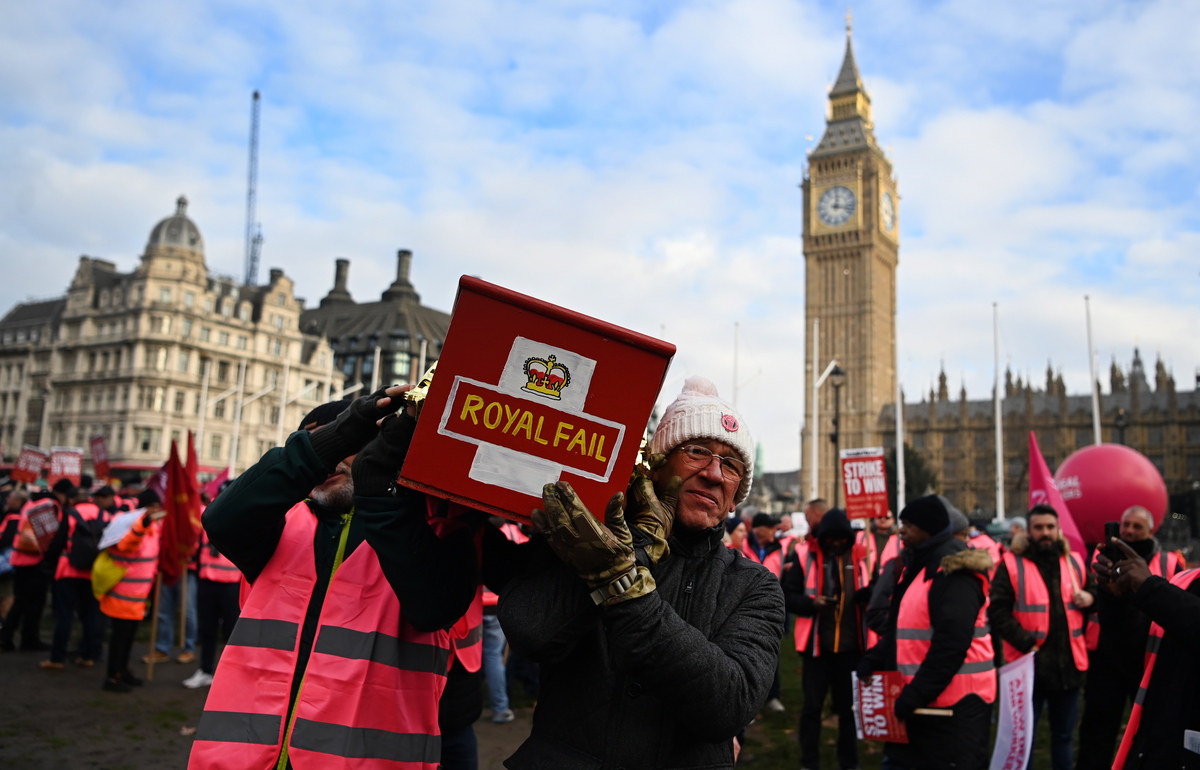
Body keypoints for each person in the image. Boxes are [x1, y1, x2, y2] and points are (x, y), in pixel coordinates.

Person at [499, 375, 785, 768]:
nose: (714, 473)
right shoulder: (585, 537)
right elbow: (531, 632)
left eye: (731, 465)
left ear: (736, 498)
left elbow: (729, 704)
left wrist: (623, 586)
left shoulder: (755, 585)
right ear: (656, 466)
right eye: (697, 451)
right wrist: (638, 547)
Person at [189, 386, 481, 770]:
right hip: (241, 759)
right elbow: (221, 520)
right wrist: (335, 439)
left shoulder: (434, 531)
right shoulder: (278, 528)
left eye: (351, 445)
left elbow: (431, 607)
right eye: (319, 450)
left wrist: (381, 484)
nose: (327, 463)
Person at [857, 494, 996, 770]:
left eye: (909, 524)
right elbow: (902, 629)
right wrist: (874, 658)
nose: (902, 531)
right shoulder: (919, 568)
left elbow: (950, 646)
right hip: (923, 707)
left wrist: (911, 697)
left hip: (955, 713)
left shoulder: (955, 572)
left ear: (930, 528)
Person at [1076, 505, 1184, 770]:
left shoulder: (1170, 562)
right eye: (1126, 525)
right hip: (1105, 654)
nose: (1130, 531)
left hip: (1150, 658)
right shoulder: (1102, 558)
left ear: (1151, 530)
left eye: (1137, 526)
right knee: (1097, 727)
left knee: (1151, 725)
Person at [987, 504, 1093, 770]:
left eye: (1050, 527)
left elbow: (1094, 593)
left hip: (1068, 667)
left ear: (1058, 529)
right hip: (1027, 667)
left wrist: (1090, 598)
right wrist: (1026, 643)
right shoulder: (1011, 563)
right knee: (1025, 741)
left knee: (1064, 738)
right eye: (1039, 527)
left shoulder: (1074, 561)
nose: (1045, 532)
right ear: (1028, 531)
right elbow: (998, 611)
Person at [1093, 538, 1200, 769]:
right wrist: (1116, 601)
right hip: (1157, 750)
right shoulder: (1186, 582)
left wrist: (1151, 589)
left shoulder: (1165, 589)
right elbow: (1140, 656)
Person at [783, 507, 870, 770]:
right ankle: (809, 762)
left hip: (851, 649)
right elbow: (787, 595)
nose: (835, 543)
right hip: (816, 649)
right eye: (830, 538)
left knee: (848, 712)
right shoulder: (803, 554)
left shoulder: (862, 557)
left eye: (841, 538)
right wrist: (813, 604)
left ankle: (849, 762)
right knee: (812, 710)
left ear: (848, 538)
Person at [99, 489, 165, 692]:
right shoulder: (129, 525)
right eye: (153, 507)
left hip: (139, 594)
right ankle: (112, 677)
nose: (157, 510)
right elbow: (126, 546)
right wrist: (140, 528)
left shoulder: (152, 527)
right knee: (120, 637)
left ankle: (123, 670)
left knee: (128, 637)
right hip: (124, 594)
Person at [44, 482, 110, 670]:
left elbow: (57, 544)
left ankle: (57, 659)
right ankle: (88, 656)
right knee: (91, 615)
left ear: (72, 500)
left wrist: (49, 561)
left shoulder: (70, 514)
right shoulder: (104, 515)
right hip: (93, 572)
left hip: (68, 571)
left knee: (64, 616)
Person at [2, 481, 73, 653]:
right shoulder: (52, 506)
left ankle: (12, 638)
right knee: (32, 603)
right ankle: (21, 639)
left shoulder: (32, 502)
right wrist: (50, 559)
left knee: (21, 601)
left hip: (19, 558)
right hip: (34, 561)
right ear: (62, 494)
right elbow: (50, 538)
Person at [181, 520, 241, 689]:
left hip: (231, 584)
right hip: (207, 581)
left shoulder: (243, 519)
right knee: (207, 631)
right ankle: (205, 671)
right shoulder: (208, 519)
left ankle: (231, 675)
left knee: (231, 633)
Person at [857, 510, 899, 585]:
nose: (883, 519)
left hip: (889, 583)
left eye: (887, 517)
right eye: (879, 517)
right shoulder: (863, 536)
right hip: (866, 582)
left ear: (893, 520)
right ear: (875, 519)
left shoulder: (899, 540)